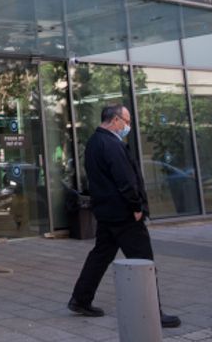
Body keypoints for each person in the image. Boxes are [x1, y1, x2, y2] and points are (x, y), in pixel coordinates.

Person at [67, 104, 181, 329]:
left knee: (99, 256)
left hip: (107, 213)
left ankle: (81, 299)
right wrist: (136, 206)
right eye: (126, 121)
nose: (127, 126)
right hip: (125, 215)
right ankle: (152, 312)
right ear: (115, 120)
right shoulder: (111, 144)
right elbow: (125, 179)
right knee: (143, 260)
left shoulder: (93, 143)